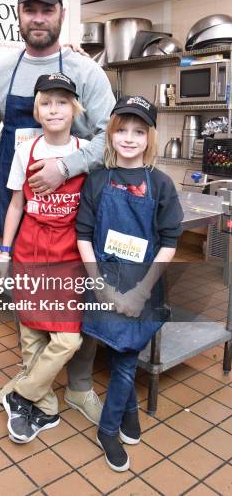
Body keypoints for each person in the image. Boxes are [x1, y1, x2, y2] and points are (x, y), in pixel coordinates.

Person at [0, 0, 115, 424]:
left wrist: (66, 167)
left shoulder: (85, 71)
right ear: (18, 14)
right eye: (30, 9)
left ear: (60, 15)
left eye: (48, 9)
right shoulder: (0, 73)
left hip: (75, 214)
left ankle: (76, 388)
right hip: (22, 206)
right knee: (32, 302)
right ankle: (36, 389)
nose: (39, 18)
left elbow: (110, 138)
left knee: (74, 306)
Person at [76, 96, 183, 472]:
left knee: (124, 359)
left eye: (139, 131)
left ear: (150, 138)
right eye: (122, 129)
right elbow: (84, 235)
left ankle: (108, 429)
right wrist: (101, 287)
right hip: (104, 281)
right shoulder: (98, 179)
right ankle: (128, 418)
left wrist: (139, 293)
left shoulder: (160, 184)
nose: (129, 137)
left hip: (143, 287)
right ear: (112, 132)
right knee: (121, 353)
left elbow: (169, 243)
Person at [0, 72, 99, 442]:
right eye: (46, 102)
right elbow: (15, 204)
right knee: (31, 331)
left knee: (67, 338)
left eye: (62, 102)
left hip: (69, 251)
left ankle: (20, 394)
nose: (54, 109)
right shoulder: (26, 150)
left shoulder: (87, 150)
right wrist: (5, 250)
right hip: (29, 247)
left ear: (74, 109)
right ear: (37, 111)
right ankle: (46, 405)